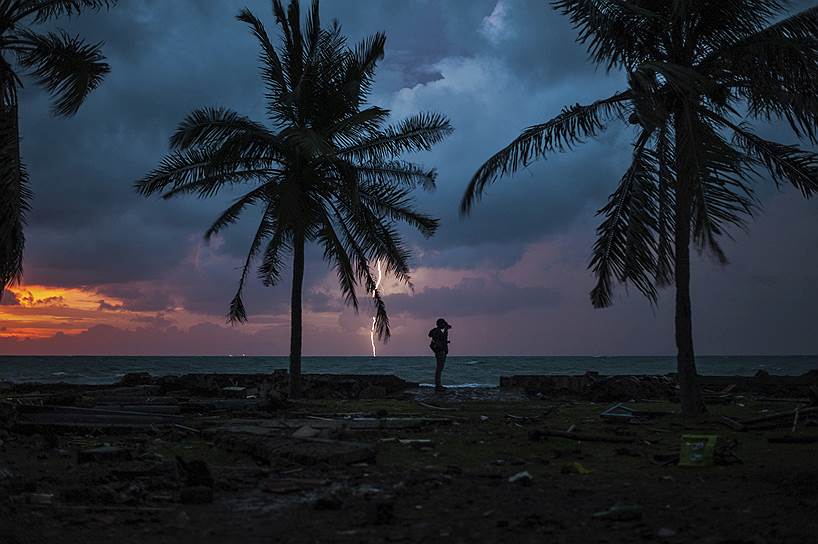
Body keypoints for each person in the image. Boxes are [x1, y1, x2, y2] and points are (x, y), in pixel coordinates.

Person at [428, 318, 451, 391]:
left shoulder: (438, 331)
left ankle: (438, 385)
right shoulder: (437, 331)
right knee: (439, 369)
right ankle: (438, 385)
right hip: (440, 351)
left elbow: (442, 339)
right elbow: (442, 338)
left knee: (440, 368)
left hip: (441, 351)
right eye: (443, 324)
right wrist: (446, 330)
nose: (444, 326)